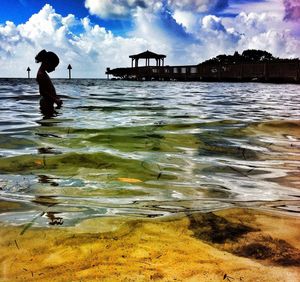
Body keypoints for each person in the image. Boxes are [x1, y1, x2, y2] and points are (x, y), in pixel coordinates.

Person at [35, 49, 62, 117]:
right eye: (53, 66)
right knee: (47, 122)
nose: (54, 69)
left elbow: (48, 90)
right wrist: (55, 100)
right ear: (47, 62)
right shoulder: (41, 75)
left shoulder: (43, 73)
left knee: (49, 123)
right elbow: (42, 92)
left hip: (48, 102)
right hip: (46, 103)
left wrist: (55, 97)